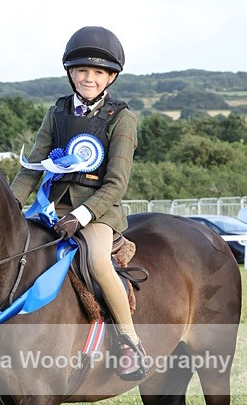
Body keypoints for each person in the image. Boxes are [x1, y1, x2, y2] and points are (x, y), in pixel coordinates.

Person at [10, 25, 146, 382]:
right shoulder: (56, 113)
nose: (89, 78)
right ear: (70, 72)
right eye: (82, 70)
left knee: (99, 262)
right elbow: (31, 169)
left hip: (98, 213)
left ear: (110, 77)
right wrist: (10, 210)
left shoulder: (123, 119)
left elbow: (116, 184)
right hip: (51, 208)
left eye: (98, 73)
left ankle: (131, 343)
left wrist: (82, 214)